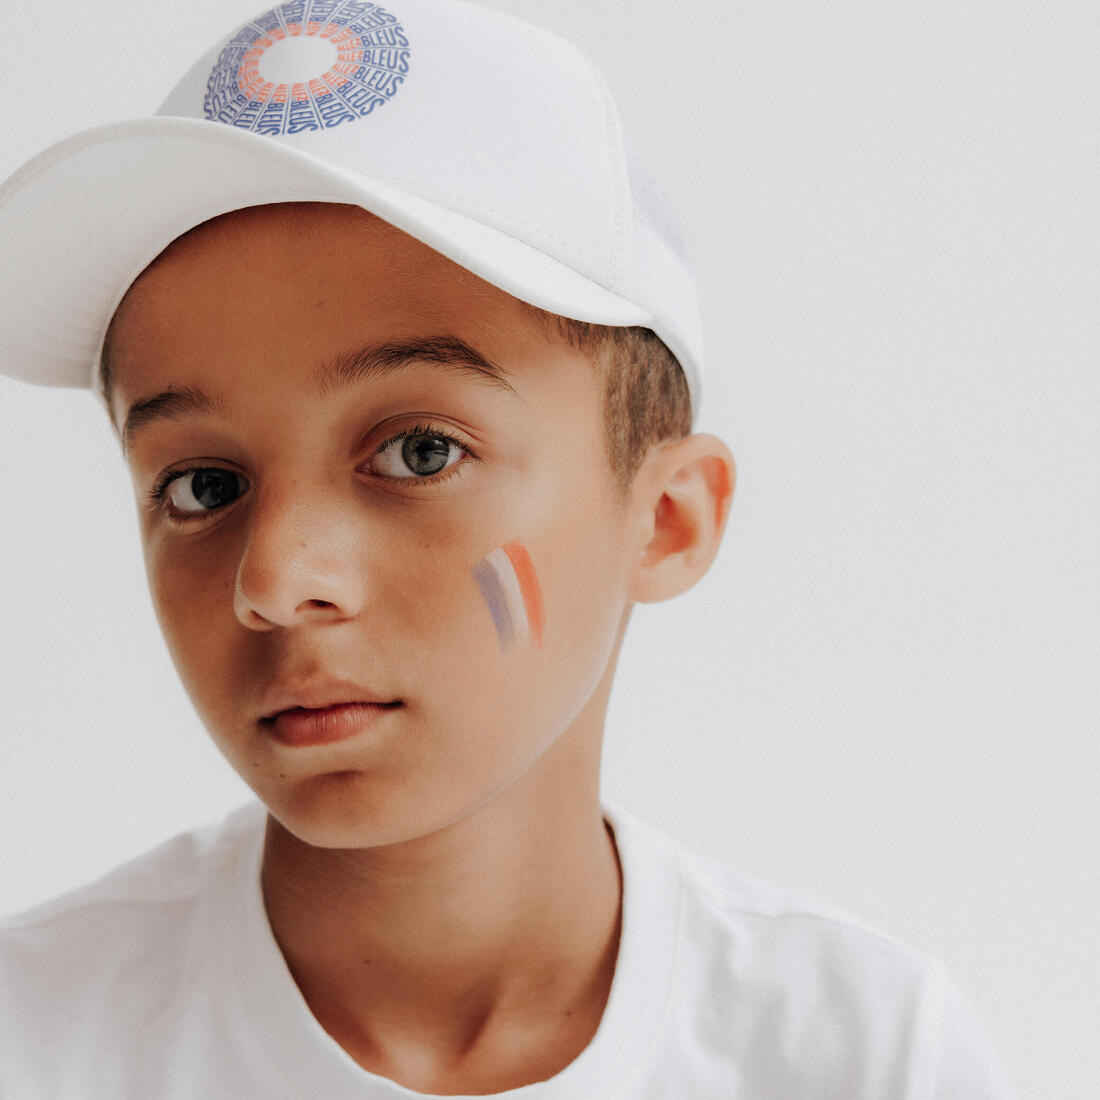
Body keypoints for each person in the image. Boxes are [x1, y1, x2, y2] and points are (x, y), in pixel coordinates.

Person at [0, 1, 1016, 1096]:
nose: (276, 580)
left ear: (666, 517)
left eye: (420, 451)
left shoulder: (861, 1056)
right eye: (204, 485)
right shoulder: (35, 1039)